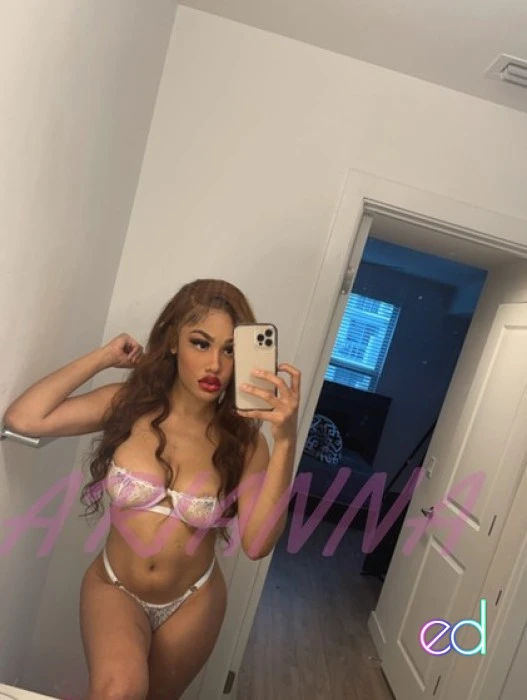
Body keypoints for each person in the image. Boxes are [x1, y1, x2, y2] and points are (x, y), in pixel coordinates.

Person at [4, 279, 301, 700]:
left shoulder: (245, 443)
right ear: (173, 340)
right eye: (201, 343)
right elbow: (24, 418)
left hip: (194, 602)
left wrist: (285, 440)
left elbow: (257, 544)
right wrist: (105, 357)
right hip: (114, 587)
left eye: (230, 350)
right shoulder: (128, 404)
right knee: (118, 692)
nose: (215, 364)